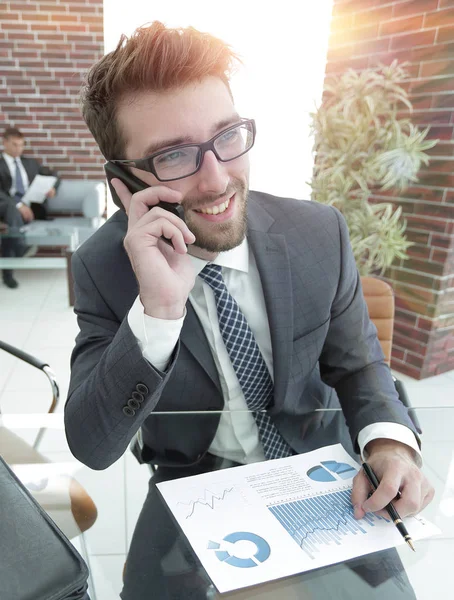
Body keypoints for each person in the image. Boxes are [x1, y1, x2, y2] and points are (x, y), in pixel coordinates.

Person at [64, 22, 434, 596]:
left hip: (324, 476)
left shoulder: (318, 232)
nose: (217, 179)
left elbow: (358, 367)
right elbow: (91, 445)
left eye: (227, 136)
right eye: (174, 157)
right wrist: (159, 310)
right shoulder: (103, 268)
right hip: (196, 483)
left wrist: (388, 443)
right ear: (122, 187)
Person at [0, 126, 60, 288]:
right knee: (12, 211)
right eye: (14, 144)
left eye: (21, 145)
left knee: (15, 216)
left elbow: (53, 174)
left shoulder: (30, 163)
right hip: (5, 205)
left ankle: (19, 249)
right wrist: (18, 205)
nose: (18, 148)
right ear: (4, 142)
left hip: (30, 205)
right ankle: (10, 269)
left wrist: (53, 188)